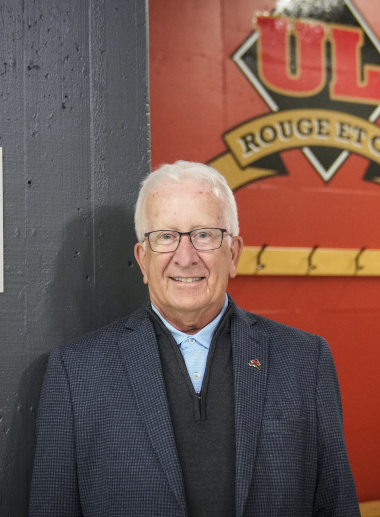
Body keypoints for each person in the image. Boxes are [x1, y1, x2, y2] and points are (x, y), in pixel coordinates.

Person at [28, 160, 360, 516]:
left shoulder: (305, 360)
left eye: (204, 234)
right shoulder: (76, 371)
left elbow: (336, 504)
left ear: (233, 253)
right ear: (143, 259)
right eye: (166, 236)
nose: (185, 258)